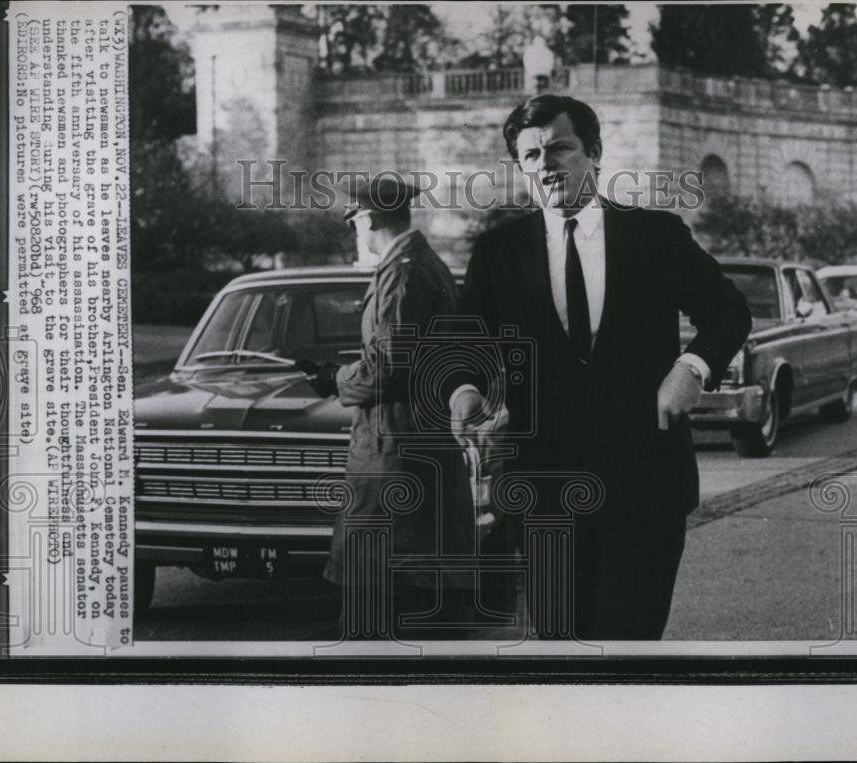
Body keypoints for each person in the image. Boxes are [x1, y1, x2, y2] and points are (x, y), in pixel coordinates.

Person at [450, 95, 752, 640]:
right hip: (544, 492)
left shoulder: (655, 236)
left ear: (594, 154)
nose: (546, 164)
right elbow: (464, 341)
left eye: (560, 148)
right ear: (521, 167)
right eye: (531, 155)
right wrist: (466, 388)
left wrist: (692, 366)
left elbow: (729, 311)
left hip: (644, 489)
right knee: (562, 647)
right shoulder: (498, 251)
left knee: (627, 647)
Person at [302, 175, 476, 640]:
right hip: (408, 446)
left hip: (393, 453)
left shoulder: (403, 271)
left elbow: (389, 367)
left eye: (355, 221)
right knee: (406, 596)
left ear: (369, 217)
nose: (355, 231)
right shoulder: (420, 264)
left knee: (378, 601)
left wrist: (335, 378)